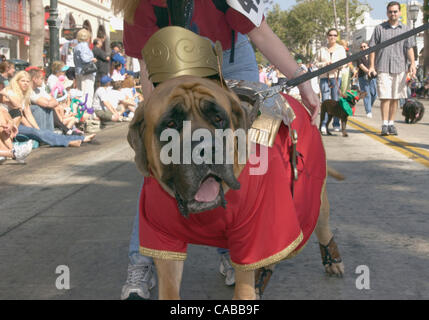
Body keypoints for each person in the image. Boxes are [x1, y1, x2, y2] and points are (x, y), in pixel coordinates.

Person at [112, 0, 320, 300]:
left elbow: (261, 33)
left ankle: (235, 251)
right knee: (163, 167)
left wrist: (304, 83)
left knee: (243, 160)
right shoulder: (138, 3)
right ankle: (140, 262)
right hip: (171, 67)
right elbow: (147, 66)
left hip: (232, 59)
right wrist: (155, 117)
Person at [0, 71, 95, 148]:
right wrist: (33, 129)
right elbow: (18, 110)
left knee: (41, 132)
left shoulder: (25, 94)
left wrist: (36, 128)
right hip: (8, 125)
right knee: (37, 132)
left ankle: (78, 139)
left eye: (27, 81)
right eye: (22, 81)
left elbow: (28, 114)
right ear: (16, 82)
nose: (25, 83)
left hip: (16, 124)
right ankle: (71, 141)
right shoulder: (9, 92)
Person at [368, 1, 416, 136]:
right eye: (390, 12)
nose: (393, 14)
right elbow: (372, 48)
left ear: (399, 12)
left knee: (395, 97)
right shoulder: (379, 29)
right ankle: (384, 124)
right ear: (387, 13)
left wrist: (412, 64)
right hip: (382, 67)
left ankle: (391, 124)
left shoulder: (406, 29)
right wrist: (371, 66)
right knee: (385, 97)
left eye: (395, 11)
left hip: (400, 67)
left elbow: (409, 48)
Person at [314, 28, 347, 134]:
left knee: (336, 101)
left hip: (336, 77)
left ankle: (336, 123)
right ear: (327, 36)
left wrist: (337, 65)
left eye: (335, 35)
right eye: (330, 35)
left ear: (337, 37)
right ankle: (323, 124)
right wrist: (325, 64)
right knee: (326, 101)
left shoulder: (341, 49)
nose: (332, 37)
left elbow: (345, 63)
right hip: (324, 77)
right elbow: (315, 63)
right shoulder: (321, 50)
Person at [74, 28, 97, 111]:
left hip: (79, 71)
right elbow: (85, 58)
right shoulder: (84, 46)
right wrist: (92, 59)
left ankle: (80, 110)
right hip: (87, 72)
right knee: (87, 92)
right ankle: (86, 111)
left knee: (81, 92)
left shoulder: (76, 47)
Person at [357, 42, 377, 118]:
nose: (363, 48)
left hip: (373, 77)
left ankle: (369, 105)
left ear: (368, 47)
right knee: (366, 94)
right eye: (361, 47)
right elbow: (361, 66)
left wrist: (374, 71)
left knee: (374, 94)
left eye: (365, 46)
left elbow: (376, 64)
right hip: (363, 77)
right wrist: (368, 71)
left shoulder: (372, 55)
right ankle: (368, 111)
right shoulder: (359, 55)